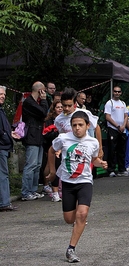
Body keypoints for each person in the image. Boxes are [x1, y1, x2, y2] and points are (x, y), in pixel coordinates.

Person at [46, 111, 108, 263]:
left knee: (82, 214)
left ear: (88, 126)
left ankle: (71, 249)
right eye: (74, 125)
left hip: (84, 182)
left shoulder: (92, 142)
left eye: (80, 125)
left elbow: (93, 159)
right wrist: (53, 170)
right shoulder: (63, 138)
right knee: (69, 219)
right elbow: (51, 151)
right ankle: (77, 222)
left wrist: (101, 163)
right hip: (67, 183)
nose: (77, 128)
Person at [21, 81, 48, 201]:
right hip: (32, 136)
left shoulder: (34, 102)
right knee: (30, 165)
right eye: (44, 91)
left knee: (37, 165)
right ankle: (26, 192)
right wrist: (43, 100)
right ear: (40, 90)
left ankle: (33, 189)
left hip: (38, 136)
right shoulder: (29, 103)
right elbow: (43, 112)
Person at [104, 86, 129, 177]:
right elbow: (107, 117)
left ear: (121, 93)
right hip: (113, 129)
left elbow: (126, 115)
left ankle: (121, 169)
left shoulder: (123, 103)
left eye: (119, 91)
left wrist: (123, 126)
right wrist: (117, 126)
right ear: (113, 92)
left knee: (121, 150)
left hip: (122, 129)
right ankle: (111, 169)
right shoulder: (109, 103)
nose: (117, 93)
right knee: (112, 150)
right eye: (115, 91)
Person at [0, 86, 18, 211]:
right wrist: (6, 137)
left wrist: (9, 134)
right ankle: (4, 202)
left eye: (4, 95)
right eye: (0, 94)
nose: (2, 96)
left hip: (4, 145)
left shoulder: (1, 110)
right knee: (3, 174)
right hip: (1, 146)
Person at [42, 100, 63, 202]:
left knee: (61, 167)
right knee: (51, 166)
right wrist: (57, 134)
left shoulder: (65, 119)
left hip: (63, 147)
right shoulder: (49, 120)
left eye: (61, 107)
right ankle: (49, 186)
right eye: (58, 107)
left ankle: (60, 189)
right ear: (53, 109)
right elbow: (46, 134)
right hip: (51, 146)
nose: (60, 109)